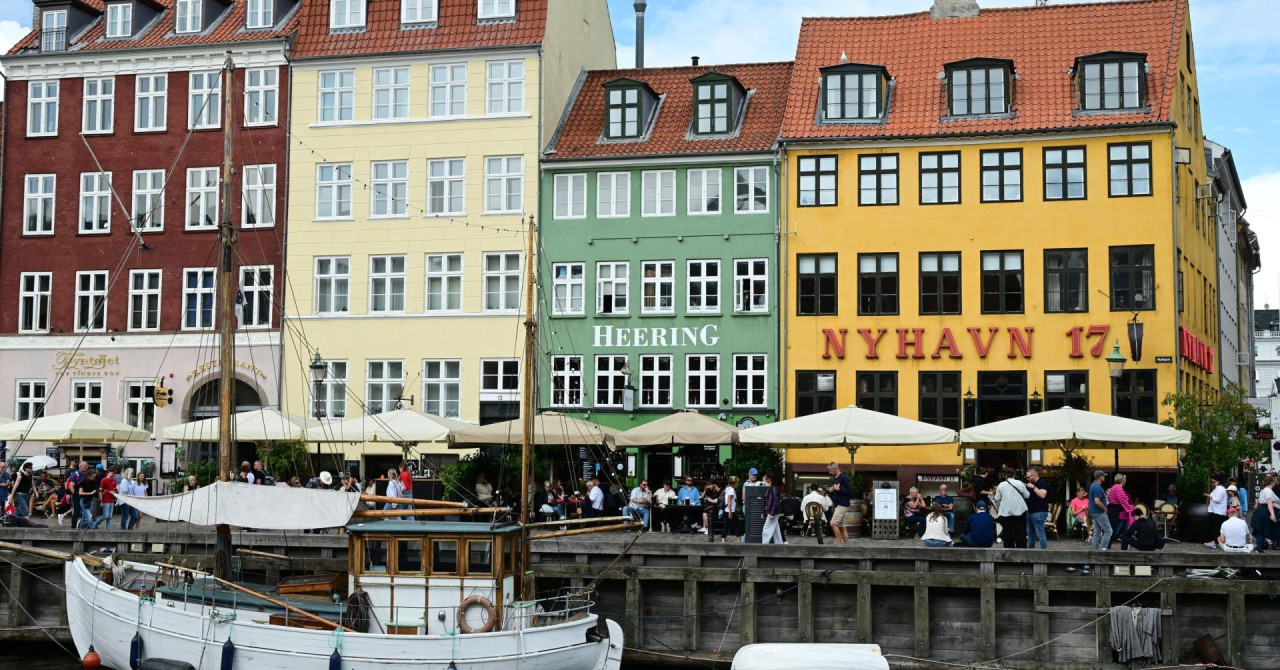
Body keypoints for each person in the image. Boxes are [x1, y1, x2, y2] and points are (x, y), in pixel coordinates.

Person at [993, 469, 1030, 549]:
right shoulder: (1020, 483)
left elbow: (997, 498)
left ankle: (1009, 550)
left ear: (1005, 475)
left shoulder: (1001, 485)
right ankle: (1021, 550)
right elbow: (1027, 495)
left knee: (1007, 533)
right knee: (1020, 532)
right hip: (1020, 510)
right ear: (1014, 475)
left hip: (1006, 512)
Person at [1250, 474, 1278, 553]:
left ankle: (1259, 548)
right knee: (1271, 528)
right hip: (1265, 511)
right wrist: (1272, 513)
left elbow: (1258, 503)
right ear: (1272, 482)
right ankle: (1265, 546)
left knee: (1261, 530)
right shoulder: (1268, 491)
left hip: (1260, 510)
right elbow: (1269, 502)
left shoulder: (1263, 490)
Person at [1106, 473, 1134, 549]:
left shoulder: (1115, 488)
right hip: (1117, 512)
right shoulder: (1118, 489)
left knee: (1125, 532)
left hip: (1119, 512)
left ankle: (1123, 548)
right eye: (1125, 479)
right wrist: (1131, 509)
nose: (1126, 481)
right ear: (1122, 480)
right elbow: (1123, 502)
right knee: (1114, 530)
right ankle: (1107, 547)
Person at [1024, 468, 1050, 549]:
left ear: (1034, 475)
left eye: (1028, 477)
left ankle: (1044, 552)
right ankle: (1031, 552)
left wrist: (1033, 487)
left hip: (1039, 512)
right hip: (1031, 512)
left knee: (1040, 533)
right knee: (1031, 534)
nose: (1027, 479)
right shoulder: (1033, 484)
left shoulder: (1041, 483)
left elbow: (1042, 495)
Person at [828, 462, 852, 546]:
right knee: (842, 526)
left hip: (842, 504)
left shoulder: (843, 477)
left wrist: (838, 489)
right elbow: (837, 490)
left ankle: (839, 544)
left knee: (833, 524)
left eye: (830, 470)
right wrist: (832, 489)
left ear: (835, 468)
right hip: (838, 504)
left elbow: (850, 491)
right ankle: (846, 545)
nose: (829, 472)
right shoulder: (836, 478)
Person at [1089, 470, 1113, 551]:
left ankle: (1094, 550)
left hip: (1094, 512)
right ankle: (1103, 550)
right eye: (1103, 476)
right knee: (1108, 531)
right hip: (1099, 512)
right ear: (1099, 477)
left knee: (1097, 532)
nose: (1104, 477)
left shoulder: (1093, 485)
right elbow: (1097, 501)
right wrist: (1105, 509)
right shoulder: (1097, 487)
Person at [1204, 474, 1229, 548]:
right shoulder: (1218, 488)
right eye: (1212, 482)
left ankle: (1214, 542)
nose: (1212, 483)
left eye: (1213, 481)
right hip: (1216, 510)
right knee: (1215, 527)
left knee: (1216, 527)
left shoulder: (1220, 489)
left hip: (1219, 511)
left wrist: (1209, 496)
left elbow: (1218, 499)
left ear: (1218, 481)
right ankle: (1214, 541)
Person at [760, 473, 784, 544]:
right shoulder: (772, 488)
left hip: (773, 512)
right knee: (776, 530)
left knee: (766, 529)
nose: (764, 478)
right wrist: (765, 512)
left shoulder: (773, 488)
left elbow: (775, 502)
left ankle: (764, 545)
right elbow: (769, 502)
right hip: (773, 511)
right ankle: (780, 544)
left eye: (766, 477)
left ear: (769, 479)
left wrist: (772, 513)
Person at [721, 476, 741, 543]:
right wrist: (730, 512)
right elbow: (729, 501)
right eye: (737, 482)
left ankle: (723, 540)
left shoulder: (727, 488)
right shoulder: (731, 490)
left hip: (727, 510)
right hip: (730, 511)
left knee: (727, 525)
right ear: (735, 483)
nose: (737, 484)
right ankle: (738, 540)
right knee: (737, 524)